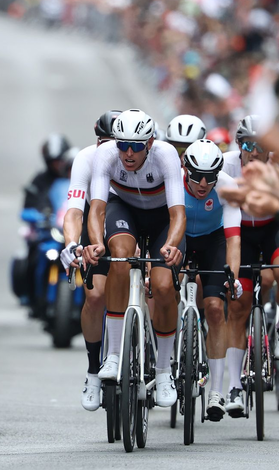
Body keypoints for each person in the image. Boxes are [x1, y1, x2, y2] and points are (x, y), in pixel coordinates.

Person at [84, 109, 185, 408]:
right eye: (122, 145)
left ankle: (164, 371)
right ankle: (114, 354)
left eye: (136, 146)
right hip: (124, 210)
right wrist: (95, 243)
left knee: (165, 287)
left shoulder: (166, 156)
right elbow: (97, 210)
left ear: (150, 143)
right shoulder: (106, 155)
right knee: (120, 256)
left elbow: (178, 213)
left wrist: (171, 245)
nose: (128, 153)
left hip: (161, 218)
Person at [221, 115, 279, 417]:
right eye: (246, 145)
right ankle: (233, 387)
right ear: (238, 145)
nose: (253, 152)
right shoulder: (225, 165)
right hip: (239, 234)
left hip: (273, 230)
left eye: (260, 146)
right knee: (238, 304)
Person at [59, 109, 120, 411]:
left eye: (115, 141)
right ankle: (93, 370)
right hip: (95, 231)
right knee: (95, 297)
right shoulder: (85, 159)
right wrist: (72, 243)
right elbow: (73, 211)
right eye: (103, 141)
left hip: (129, 227)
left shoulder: (134, 158)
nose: (108, 148)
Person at [180, 139, 242, 420]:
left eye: (210, 177)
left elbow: (233, 240)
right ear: (185, 169)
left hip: (212, 241)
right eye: (196, 176)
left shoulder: (227, 186)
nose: (203, 183)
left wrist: (234, 277)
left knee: (216, 309)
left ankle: (216, 391)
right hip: (178, 235)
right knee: (161, 288)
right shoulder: (172, 181)